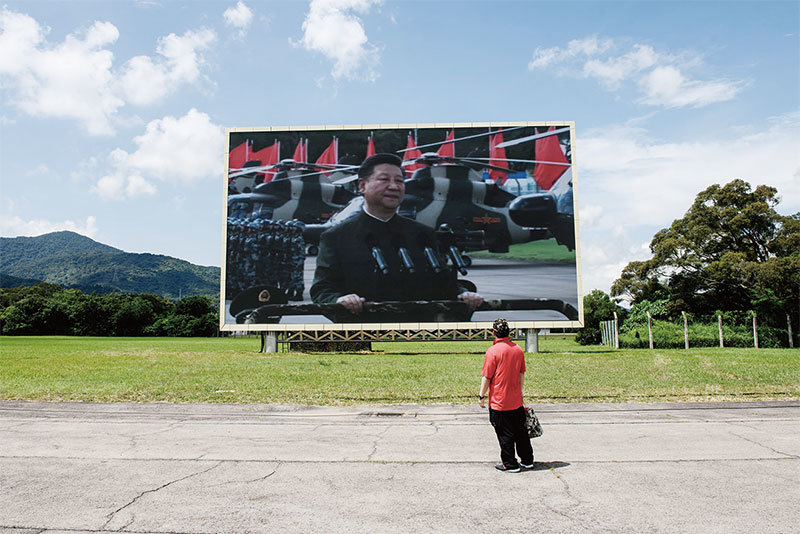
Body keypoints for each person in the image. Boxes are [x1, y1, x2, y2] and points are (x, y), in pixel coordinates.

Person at [310, 153, 483, 322]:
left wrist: (462, 294)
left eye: (399, 181)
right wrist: (339, 301)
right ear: (362, 186)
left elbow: (443, 283)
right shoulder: (337, 237)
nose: (394, 186)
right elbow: (322, 289)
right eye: (384, 180)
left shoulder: (423, 234)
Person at [479, 318, 533, 472]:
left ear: (494, 333)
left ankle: (510, 464)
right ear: (508, 332)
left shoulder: (493, 351)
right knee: (520, 432)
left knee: (505, 433)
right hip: (516, 401)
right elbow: (522, 374)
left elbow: (487, 377)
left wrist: (481, 396)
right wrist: (519, 393)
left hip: (499, 402)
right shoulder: (517, 349)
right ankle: (527, 460)